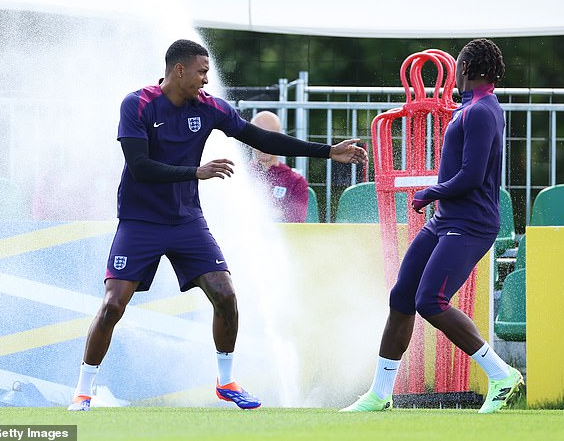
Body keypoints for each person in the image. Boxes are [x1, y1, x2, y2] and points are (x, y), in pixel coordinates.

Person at [67, 39, 367, 411]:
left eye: (208, 72)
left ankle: (226, 383)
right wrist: (197, 171)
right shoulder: (137, 103)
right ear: (179, 70)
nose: (207, 80)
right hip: (140, 221)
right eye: (201, 71)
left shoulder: (209, 108)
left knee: (225, 296)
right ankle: (83, 389)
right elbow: (140, 167)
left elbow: (260, 137)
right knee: (113, 304)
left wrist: (327, 150)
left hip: (187, 222)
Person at [341, 39, 523, 414]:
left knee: (430, 301)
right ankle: (380, 394)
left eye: (459, 66)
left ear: (470, 69)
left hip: (471, 223)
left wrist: (429, 192)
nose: (454, 73)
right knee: (402, 298)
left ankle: (503, 375)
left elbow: (472, 175)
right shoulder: (470, 107)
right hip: (446, 220)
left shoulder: (482, 111)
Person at [249, 111, 309, 223]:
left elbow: (296, 224)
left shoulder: (296, 182)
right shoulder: (238, 175)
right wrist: (276, 212)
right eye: (257, 137)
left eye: (270, 137)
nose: (263, 143)